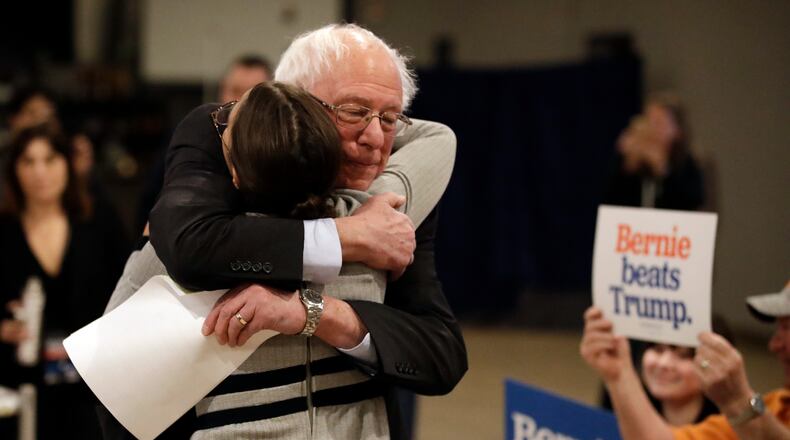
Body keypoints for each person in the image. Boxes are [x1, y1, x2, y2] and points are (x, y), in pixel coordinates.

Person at [111, 23, 464, 439]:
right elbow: (112, 372)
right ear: (296, 105)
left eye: (389, 118)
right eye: (354, 111)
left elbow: (441, 356)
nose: (374, 138)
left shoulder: (390, 211)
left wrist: (313, 313)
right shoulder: (201, 218)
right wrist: (346, 236)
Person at [0, 126, 129, 439]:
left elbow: (128, 288)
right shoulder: (3, 231)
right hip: (20, 383)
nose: (39, 172)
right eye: (28, 162)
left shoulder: (98, 220)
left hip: (91, 379)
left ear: (67, 164)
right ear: (14, 170)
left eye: (50, 159)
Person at [580, 281, 790, 439]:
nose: (774, 345)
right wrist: (619, 375)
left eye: (787, 328)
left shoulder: (751, 409)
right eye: (656, 349)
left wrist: (738, 401)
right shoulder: (774, 406)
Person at [604, 93, 704, 210]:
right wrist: (628, 164)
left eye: (659, 123)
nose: (651, 130)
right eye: (647, 121)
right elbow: (612, 201)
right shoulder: (633, 160)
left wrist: (662, 169)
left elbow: (690, 204)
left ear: (677, 130)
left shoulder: (688, 164)